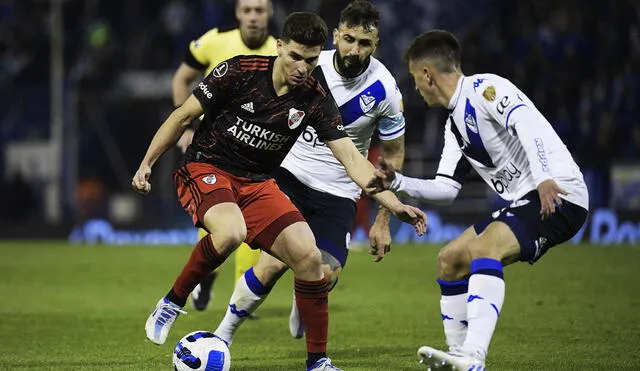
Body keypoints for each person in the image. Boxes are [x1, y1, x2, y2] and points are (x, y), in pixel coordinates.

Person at [132, 12, 426, 371]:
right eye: (296, 57)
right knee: (231, 233)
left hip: (257, 182)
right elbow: (181, 117)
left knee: (308, 258)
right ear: (280, 47)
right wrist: (147, 163)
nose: (303, 68)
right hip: (209, 167)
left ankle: (317, 362)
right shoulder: (238, 71)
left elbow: (352, 158)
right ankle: (172, 302)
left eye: (312, 60)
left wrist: (394, 205)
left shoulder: (315, 99)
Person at [368, 30, 589, 370]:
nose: (415, 87)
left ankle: (473, 356)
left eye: (414, 78)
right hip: (522, 201)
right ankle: (458, 357)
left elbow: (526, 123)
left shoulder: (487, 88)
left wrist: (544, 176)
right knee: (450, 259)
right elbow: (446, 189)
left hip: (560, 194)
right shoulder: (454, 125)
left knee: (485, 249)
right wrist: (397, 181)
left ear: (427, 74)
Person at [211, 0, 405, 344]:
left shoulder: (386, 90)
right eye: (348, 39)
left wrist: (382, 219)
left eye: (364, 44)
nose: (354, 50)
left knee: (324, 274)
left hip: (342, 192)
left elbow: (392, 155)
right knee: (272, 265)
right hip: (292, 178)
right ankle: (222, 335)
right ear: (335, 35)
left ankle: (305, 297)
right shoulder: (308, 67)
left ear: (376, 46)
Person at [172, 0, 277, 312]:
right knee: (220, 226)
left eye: (260, 10)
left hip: (258, 154)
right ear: (237, 13)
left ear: (270, 14)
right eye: (247, 10)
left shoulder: (281, 51)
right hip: (213, 152)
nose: (254, 17)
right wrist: (187, 125)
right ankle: (207, 276)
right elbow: (181, 79)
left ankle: (239, 296)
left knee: (252, 226)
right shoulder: (215, 41)